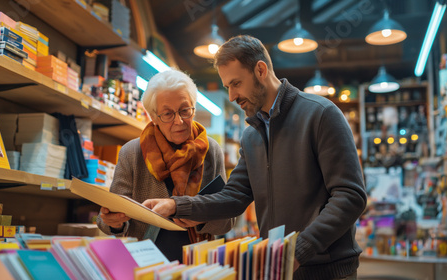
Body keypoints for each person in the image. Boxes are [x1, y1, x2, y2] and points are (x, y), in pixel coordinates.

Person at [143, 35, 367, 279]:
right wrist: (176, 205)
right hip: (277, 268)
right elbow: (234, 197)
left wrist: (298, 252)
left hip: (327, 272)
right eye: (227, 86)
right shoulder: (252, 136)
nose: (231, 95)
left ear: (261, 70)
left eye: (236, 83)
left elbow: (350, 196)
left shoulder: (321, 115)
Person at [97, 69, 234, 262]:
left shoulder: (211, 151)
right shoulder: (132, 153)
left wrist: (202, 217)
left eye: (185, 111)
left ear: (194, 108)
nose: (178, 121)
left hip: (197, 263)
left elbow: (227, 220)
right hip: (144, 263)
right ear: (153, 116)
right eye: (168, 114)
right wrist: (113, 223)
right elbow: (107, 220)